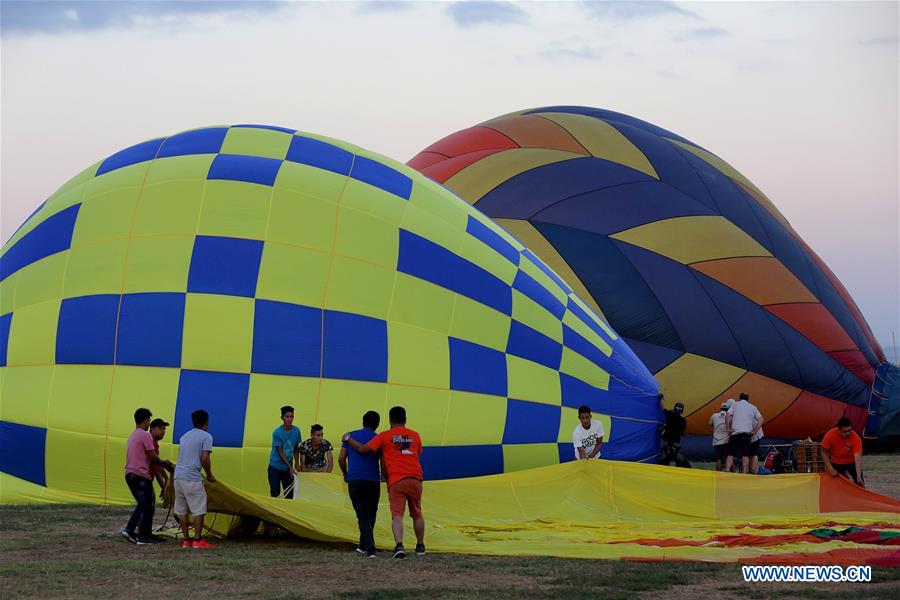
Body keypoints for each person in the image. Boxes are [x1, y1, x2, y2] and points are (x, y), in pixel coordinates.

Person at [343, 406, 425, 558]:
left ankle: (399, 546)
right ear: (405, 420)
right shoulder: (415, 435)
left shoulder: (384, 436)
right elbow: (415, 455)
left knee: (397, 515)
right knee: (417, 514)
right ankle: (420, 546)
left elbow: (363, 449)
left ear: (390, 420)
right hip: (415, 478)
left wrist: (348, 439)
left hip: (396, 480)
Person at [123, 408, 173, 545]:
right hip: (140, 474)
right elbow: (153, 459)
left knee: (148, 505)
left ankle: (145, 534)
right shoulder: (145, 436)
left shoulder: (132, 436)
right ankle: (131, 530)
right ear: (145, 420)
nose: (149, 422)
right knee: (144, 504)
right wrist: (166, 464)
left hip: (130, 474)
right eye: (149, 420)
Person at [339, 411, 382, 558]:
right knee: (371, 513)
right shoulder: (379, 438)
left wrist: (345, 473)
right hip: (373, 479)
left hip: (355, 479)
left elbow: (341, 458)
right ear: (377, 424)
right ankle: (367, 547)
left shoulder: (350, 436)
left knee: (362, 515)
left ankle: (367, 547)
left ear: (363, 421)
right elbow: (383, 461)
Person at [173, 409, 216, 548]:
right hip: (192, 477)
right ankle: (198, 540)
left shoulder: (184, 437)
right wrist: (209, 474)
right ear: (206, 422)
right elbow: (205, 458)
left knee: (182, 510)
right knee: (198, 509)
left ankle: (186, 540)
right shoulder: (206, 437)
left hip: (178, 477)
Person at [821, 417, 865, 487]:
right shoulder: (830, 435)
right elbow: (823, 451)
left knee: (860, 483)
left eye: (849, 430)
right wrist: (829, 468)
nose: (848, 433)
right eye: (845, 431)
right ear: (839, 430)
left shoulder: (856, 438)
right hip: (836, 462)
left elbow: (857, 458)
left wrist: (859, 476)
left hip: (851, 462)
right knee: (835, 485)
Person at [726, 393, 762, 474]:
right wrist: (754, 431)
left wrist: (728, 428)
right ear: (748, 399)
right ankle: (745, 473)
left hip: (735, 433)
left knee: (730, 454)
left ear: (739, 398)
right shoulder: (753, 407)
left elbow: (727, 415)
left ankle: (727, 470)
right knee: (745, 455)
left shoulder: (735, 405)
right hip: (747, 434)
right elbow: (761, 419)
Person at [269, 405, 301, 498]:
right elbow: (280, 452)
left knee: (289, 494)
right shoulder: (277, 433)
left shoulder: (296, 431)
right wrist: (290, 467)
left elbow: (296, 449)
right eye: (287, 416)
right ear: (282, 418)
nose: (289, 419)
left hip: (287, 468)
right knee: (275, 494)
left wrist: (297, 463)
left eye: (291, 416)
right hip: (275, 467)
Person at [148, 418, 173, 500]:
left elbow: (156, 468)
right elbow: (157, 464)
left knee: (148, 503)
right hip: (143, 479)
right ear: (152, 428)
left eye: (164, 429)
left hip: (146, 480)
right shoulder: (150, 442)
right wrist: (166, 479)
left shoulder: (153, 442)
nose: (163, 431)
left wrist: (164, 486)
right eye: (160, 428)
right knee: (147, 504)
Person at [660, 401, 689, 467]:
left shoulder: (669, 415)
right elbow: (682, 431)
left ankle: (663, 469)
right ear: (682, 411)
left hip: (667, 440)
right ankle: (684, 468)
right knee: (678, 457)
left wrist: (661, 398)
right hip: (675, 442)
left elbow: (661, 407)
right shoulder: (682, 421)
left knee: (664, 457)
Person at [709, 402, 730, 472]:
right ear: (727, 409)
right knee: (729, 457)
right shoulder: (729, 415)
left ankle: (718, 473)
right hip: (726, 440)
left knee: (718, 458)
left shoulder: (714, 415)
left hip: (717, 440)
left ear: (720, 408)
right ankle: (731, 472)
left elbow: (710, 424)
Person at [749, 406, 766, 474]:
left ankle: (754, 471)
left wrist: (754, 431)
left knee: (754, 453)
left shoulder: (751, 410)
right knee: (750, 454)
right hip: (752, 435)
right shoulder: (751, 409)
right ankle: (753, 469)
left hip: (755, 435)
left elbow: (761, 420)